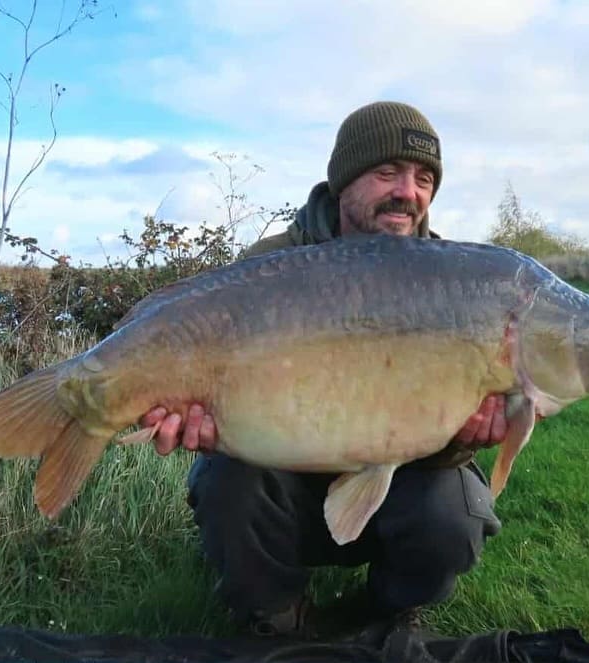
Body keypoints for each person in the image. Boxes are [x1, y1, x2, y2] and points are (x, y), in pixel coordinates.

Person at [139, 102, 506, 637]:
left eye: (424, 178)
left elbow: (445, 431)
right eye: (388, 173)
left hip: (396, 475)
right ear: (343, 182)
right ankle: (277, 615)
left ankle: (383, 615)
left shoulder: (452, 282)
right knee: (227, 482)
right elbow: (222, 381)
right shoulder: (274, 262)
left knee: (453, 512)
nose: (409, 191)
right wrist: (207, 425)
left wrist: (462, 441)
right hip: (285, 468)